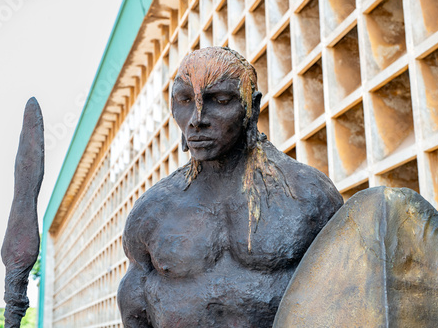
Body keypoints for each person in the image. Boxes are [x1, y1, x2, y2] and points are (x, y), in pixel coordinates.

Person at [117, 47, 343, 327]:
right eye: (185, 100)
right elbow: (134, 309)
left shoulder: (309, 195)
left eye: (221, 100)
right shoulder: (152, 211)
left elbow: (346, 297)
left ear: (253, 106)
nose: (197, 119)